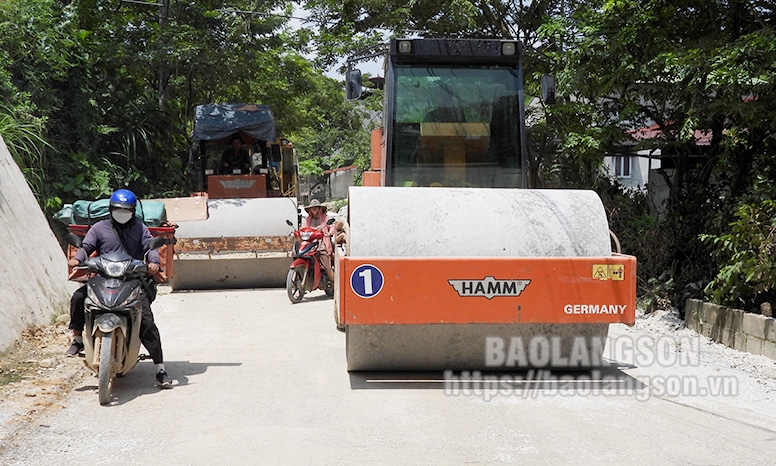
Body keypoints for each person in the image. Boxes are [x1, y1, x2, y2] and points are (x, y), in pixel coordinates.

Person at [65, 189, 172, 388]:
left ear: (132, 211)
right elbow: (86, 247)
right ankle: (78, 339)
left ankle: (160, 368)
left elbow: (150, 248)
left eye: (126, 210)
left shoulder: (140, 229)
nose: (121, 213)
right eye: (117, 209)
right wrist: (77, 259)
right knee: (79, 297)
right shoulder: (99, 228)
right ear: (111, 209)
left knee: (146, 320)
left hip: (132, 279)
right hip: (103, 277)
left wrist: (154, 263)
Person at [303, 199, 335, 282]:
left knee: (325, 262)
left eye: (316, 207)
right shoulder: (307, 219)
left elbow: (332, 226)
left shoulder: (325, 217)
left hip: (322, 242)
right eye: (312, 208)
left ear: (319, 208)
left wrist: (329, 233)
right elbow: (303, 229)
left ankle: (333, 281)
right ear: (309, 209)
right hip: (310, 243)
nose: (314, 209)